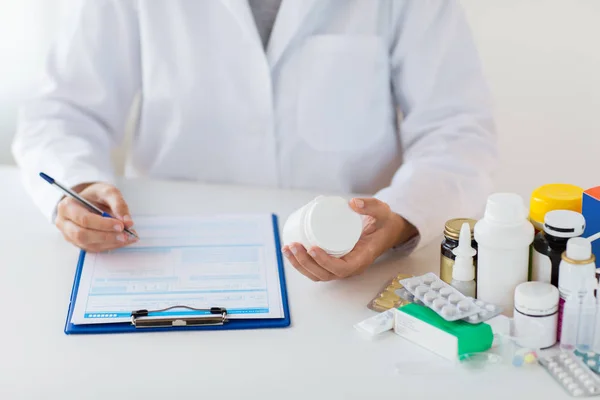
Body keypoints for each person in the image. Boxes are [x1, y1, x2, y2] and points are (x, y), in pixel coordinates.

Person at [12, 0, 497, 282]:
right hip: (166, 258)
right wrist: (76, 187)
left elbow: (457, 128)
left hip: (354, 267)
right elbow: (61, 112)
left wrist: (401, 218)